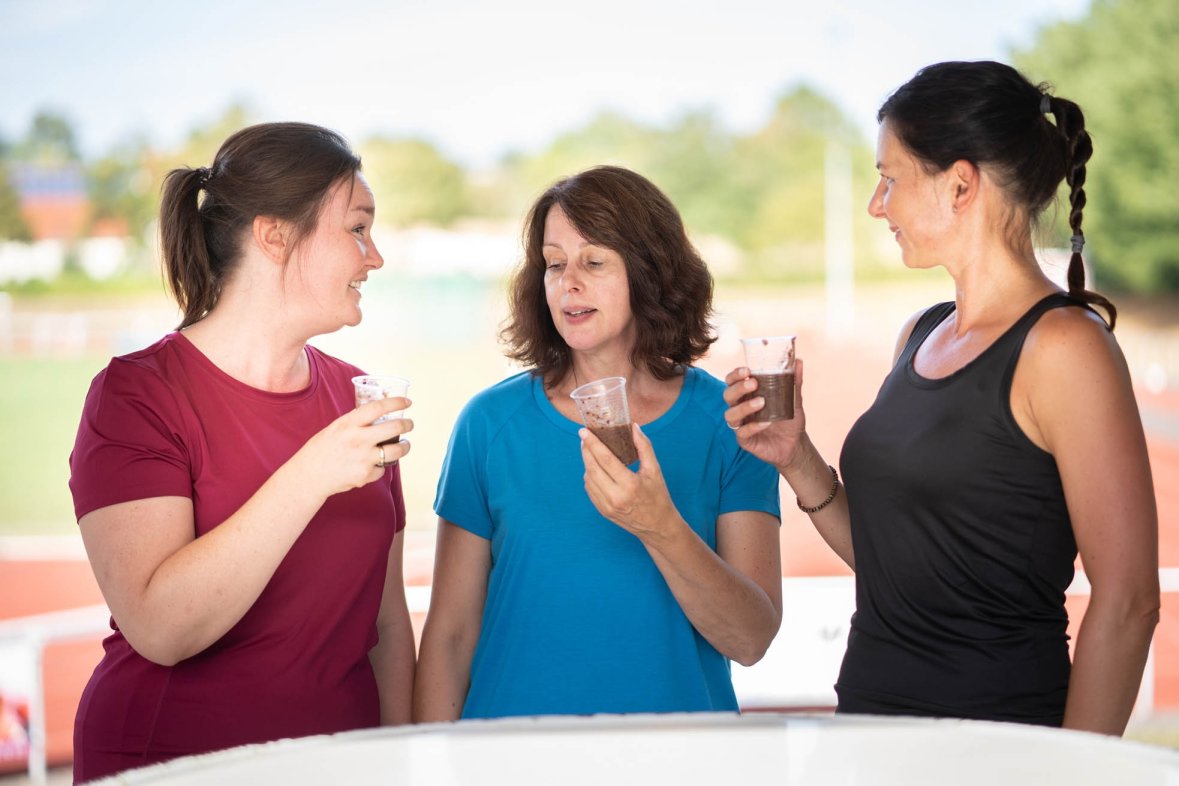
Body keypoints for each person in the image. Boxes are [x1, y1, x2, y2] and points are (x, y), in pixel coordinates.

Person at [724, 60, 1159, 735]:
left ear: (959, 185)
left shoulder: (1064, 349)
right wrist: (795, 457)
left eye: (888, 178)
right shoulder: (919, 333)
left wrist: (1076, 775)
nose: (876, 205)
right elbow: (895, 562)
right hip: (872, 730)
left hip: (1001, 745)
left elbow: (1128, 602)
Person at [68, 122, 416, 781]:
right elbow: (162, 628)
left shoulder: (355, 396)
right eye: (357, 228)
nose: (374, 258)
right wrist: (310, 474)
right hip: (168, 763)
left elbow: (387, 623)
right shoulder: (138, 395)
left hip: (339, 766)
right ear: (274, 234)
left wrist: (398, 755)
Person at [414, 165, 782, 721]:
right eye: (554, 263)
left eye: (594, 261)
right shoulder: (489, 424)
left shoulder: (727, 421)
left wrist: (659, 525)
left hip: (680, 760)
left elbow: (751, 640)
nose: (569, 283)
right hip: (507, 760)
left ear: (650, 270)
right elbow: (449, 638)